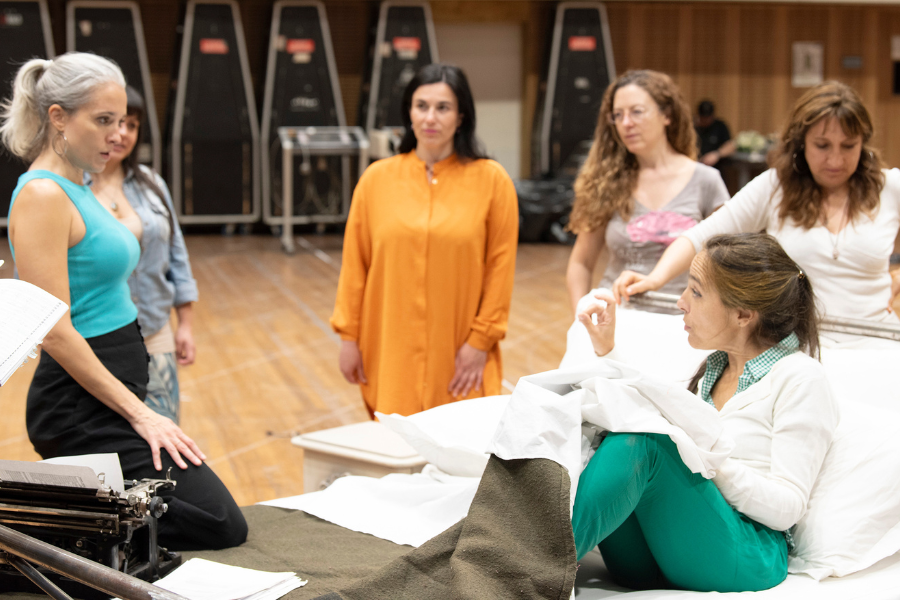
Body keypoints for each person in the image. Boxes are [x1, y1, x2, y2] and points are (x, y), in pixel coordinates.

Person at [0, 53, 246, 550]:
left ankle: (71, 526)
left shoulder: (79, 186)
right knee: (216, 520)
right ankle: (36, 530)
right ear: (58, 118)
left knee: (206, 518)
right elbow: (53, 328)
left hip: (112, 396)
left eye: (123, 121)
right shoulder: (43, 196)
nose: (119, 134)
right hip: (79, 409)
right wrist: (141, 413)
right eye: (104, 120)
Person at [574, 233, 838, 592]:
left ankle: (526, 565)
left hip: (750, 553)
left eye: (696, 292)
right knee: (608, 433)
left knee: (643, 444)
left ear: (744, 313)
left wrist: (707, 459)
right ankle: (512, 547)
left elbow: (788, 507)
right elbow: (656, 417)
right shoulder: (714, 369)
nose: (682, 302)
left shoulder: (800, 378)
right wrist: (607, 349)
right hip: (670, 549)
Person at [615, 81, 900, 328]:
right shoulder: (776, 186)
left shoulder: (890, 186)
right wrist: (655, 278)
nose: (836, 160)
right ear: (801, 144)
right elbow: (701, 237)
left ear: (863, 143)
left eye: (849, 146)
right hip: (797, 343)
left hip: (875, 335)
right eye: (822, 146)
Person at [331, 63, 518, 417]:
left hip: (461, 351)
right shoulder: (376, 180)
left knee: (459, 451)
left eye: (443, 108)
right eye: (421, 106)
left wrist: (480, 342)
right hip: (388, 347)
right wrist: (348, 338)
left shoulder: (492, 181)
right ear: (409, 112)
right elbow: (355, 265)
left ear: (461, 116)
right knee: (394, 450)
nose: (431, 117)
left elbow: (500, 267)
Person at [566, 70, 729, 314]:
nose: (626, 123)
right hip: (617, 320)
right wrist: (581, 320)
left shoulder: (706, 180)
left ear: (667, 115)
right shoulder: (607, 182)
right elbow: (581, 263)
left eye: (636, 112)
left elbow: (728, 262)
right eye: (618, 115)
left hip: (685, 323)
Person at [84, 86, 196, 424]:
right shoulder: (69, 188)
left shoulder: (151, 183)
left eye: (131, 125)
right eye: (113, 122)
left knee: (164, 430)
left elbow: (176, 253)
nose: (121, 134)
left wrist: (186, 324)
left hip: (154, 328)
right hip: (96, 340)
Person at [695, 99, 736, 167]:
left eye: (708, 117)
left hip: (715, 168)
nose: (706, 120)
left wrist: (716, 154)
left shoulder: (720, 126)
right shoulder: (692, 127)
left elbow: (731, 146)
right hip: (695, 167)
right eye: (703, 118)